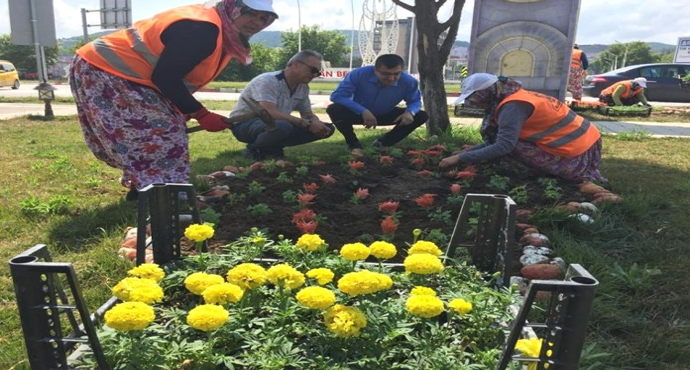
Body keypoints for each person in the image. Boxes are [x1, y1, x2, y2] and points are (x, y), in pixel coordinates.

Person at [69, 0, 278, 200]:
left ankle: (148, 189)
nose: (257, 23)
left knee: (156, 132)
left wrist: (183, 110)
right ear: (234, 7)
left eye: (264, 19)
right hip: (107, 70)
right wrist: (201, 114)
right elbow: (165, 77)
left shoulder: (218, 28)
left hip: (127, 75)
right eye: (251, 13)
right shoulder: (203, 30)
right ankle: (164, 197)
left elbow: (171, 74)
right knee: (161, 136)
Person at [439, 73, 607, 183]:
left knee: (511, 147)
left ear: (486, 94)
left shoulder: (513, 106)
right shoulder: (512, 96)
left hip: (577, 150)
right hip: (585, 140)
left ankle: (565, 173)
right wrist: (464, 154)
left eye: (474, 98)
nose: (474, 103)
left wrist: (460, 159)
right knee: (507, 143)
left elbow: (503, 145)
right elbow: (495, 140)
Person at [230, 50, 335, 160]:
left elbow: (307, 114)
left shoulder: (302, 87)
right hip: (244, 123)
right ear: (295, 64)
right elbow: (269, 112)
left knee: (327, 128)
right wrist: (305, 124)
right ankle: (254, 149)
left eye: (318, 73)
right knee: (283, 126)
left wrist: (315, 123)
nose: (314, 75)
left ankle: (273, 147)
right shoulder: (268, 80)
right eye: (313, 70)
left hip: (275, 124)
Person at [327, 54, 429, 157]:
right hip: (358, 114)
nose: (391, 78)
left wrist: (409, 112)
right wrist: (363, 111)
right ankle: (354, 144)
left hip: (386, 114)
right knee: (334, 109)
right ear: (375, 70)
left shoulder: (409, 81)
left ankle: (383, 143)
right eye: (385, 74)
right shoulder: (358, 74)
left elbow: (415, 101)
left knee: (421, 115)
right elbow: (337, 96)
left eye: (396, 74)